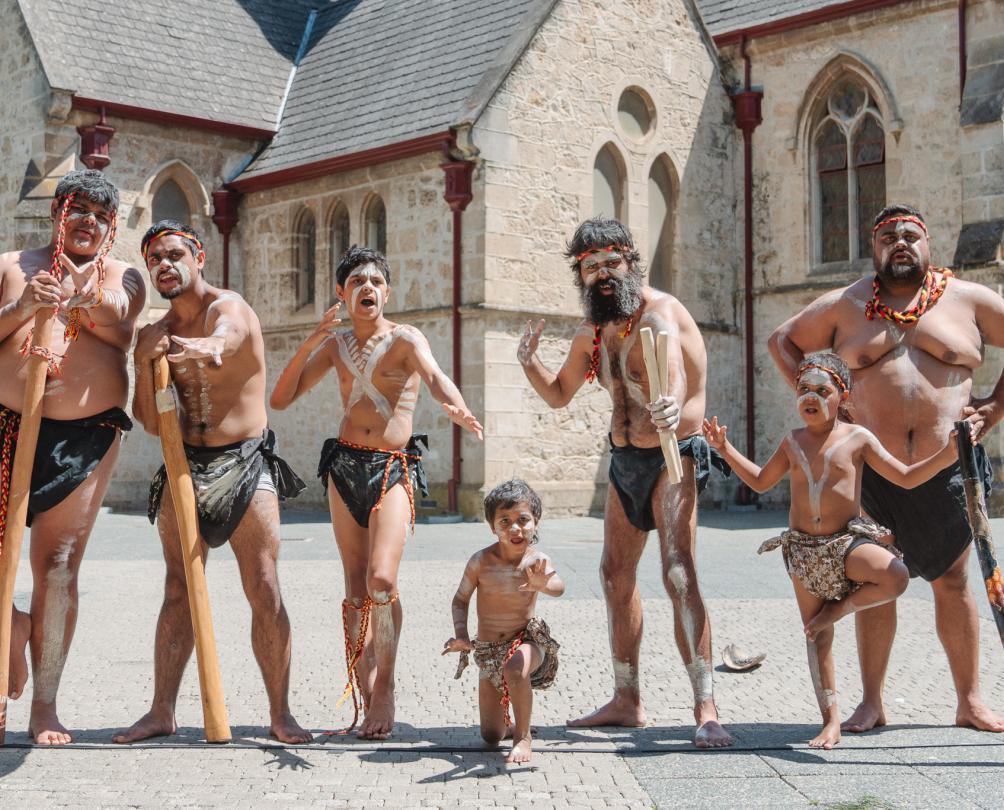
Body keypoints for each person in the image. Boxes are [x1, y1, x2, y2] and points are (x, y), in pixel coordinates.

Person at [769, 204, 1004, 734]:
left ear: (928, 245)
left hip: (948, 468)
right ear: (874, 249)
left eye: (910, 235)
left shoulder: (967, 300)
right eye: (888, 237)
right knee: (876, 574)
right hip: (872, 470)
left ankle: (970, 700)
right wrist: (827, 404)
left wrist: (993, 408)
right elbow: (781, 341)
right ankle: (871, 702)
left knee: (953, 580)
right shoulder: (847, 304)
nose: (900, 243)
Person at [518, 218, 733, 747]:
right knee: (615, 575)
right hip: (624, 460)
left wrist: (670, 403)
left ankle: (706, 705)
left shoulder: (660, 316)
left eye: (611, 263)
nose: (602, 275)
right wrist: (529, 364)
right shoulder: (594, 332)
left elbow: (674, 378)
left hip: (672, 454)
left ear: (631, 262)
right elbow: (558, 394)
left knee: (678, 573)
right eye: (590, 268)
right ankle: (627, 699)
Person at [271, 245, 483, 740]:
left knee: (381, 581)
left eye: (375, 281)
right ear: (342, 295)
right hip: (344, 465)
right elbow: (281, 399)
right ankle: (363, 688)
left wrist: (456, 407)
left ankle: (384, 685)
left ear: (386, 292)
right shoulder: (336, 344)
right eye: (356, 282)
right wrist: (313, 339)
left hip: (392, 466)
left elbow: (435, 377)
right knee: (354, 588)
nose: (367, 287)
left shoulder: (405, 339)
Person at [115, 220, 310, 745]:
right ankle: (162, 711)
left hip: (245, 463)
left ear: (199, 257)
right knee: (177, 588)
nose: (165, 265)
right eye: (155, 258)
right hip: (185, 466)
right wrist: (141, 358)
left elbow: (229, 336)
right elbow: (152, 423)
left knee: (264, 586)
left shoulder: (230, 307)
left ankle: (280, 713)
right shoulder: (155, 332)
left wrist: (204, 349)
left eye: (176, 254)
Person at [703, 351, 956, 748]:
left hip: (845, 544)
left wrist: (947, 455)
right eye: (804, 389)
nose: (811, 397)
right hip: (804, 552)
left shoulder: (858, 439)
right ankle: (830, 719)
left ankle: (841, 608)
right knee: (816, 636)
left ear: (843, 396)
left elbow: (906, 478)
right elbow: (759, 483)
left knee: (896, 575)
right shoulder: (793, 441)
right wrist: (724, 448)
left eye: (822, 390)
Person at [0, 169, 144, 743]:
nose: (89, 220)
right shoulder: (13, 264)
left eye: (102, 214)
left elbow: (124, 323)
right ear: (58, 212)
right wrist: (20, 308)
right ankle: (11, 632)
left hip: (87, 431)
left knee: (56, 564)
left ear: (111, 227)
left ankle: (45, 706)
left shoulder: (123, 274)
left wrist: (88, 296)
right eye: (79, 208)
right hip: (7, 421)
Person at [443, 478, 564, 764]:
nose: (515, 528)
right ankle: (508, 727)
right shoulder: (481, 561)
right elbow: (460, 600)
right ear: (492, 526)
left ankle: (523, 737)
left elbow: (559, 586)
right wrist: (461, 635)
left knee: (515, 667)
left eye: (523, 519)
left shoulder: (537, 562)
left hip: (527, 641)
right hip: (487, 651)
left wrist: (542, 584)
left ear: (536, 522)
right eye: (505, 520)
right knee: (490, 735)